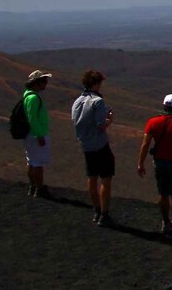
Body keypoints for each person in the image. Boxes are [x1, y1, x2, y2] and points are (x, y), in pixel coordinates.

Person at [137, 94, 172, 240]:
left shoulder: (152, 122)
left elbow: (145, 144)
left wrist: (140, 163)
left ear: (164, 106)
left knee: (163, 193)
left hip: (159, 163)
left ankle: (166, 223)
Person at [71, 70, 115, 226]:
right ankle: (104, 213)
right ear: (96, 84)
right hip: (100, 145)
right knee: (106, 178)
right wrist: (109, 120)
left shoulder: (77, 102)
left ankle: (96, 210)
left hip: (86, 145)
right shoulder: (97, 101)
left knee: (91, 177)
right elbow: (100, 125)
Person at [22, 70, 53, 198]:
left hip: (30, 134)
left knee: (31, 161)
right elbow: (32, 119)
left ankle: (33, 186)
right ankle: (39, 189)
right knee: (37, 163)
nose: (45, 84)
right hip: (36, 134)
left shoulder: (27, 96)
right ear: (36, 83)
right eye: (43, 81)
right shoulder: (33, 98)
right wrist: (39, 135)